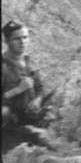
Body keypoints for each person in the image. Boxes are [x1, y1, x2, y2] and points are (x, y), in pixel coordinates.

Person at [2, 20, 53, 152]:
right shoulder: (3, 66)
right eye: (16, 38)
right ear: (6, 41)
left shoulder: (28, 61)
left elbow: (40, 88)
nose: (22, 42)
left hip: (34, 121)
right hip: (11, 127)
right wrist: (18, 90)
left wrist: (38, 99)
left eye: (25, 37)